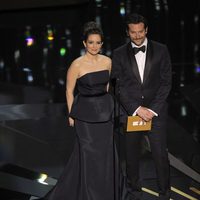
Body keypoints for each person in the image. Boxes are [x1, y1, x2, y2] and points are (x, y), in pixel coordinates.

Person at [40, 21, 117, 200]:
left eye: (98, 42)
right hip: (84, 115)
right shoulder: (77, 64)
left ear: (102, 44)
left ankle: (106, 191)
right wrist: (71, 114)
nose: (94, 46)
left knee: (105, 154)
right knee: (87, 154)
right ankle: (87, 193)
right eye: (91, 42)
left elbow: (108, 86)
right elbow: (68, 90)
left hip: (105, 114)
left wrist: (107, 105)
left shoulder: (108, 61)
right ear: (84, 43)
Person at [111, 13, 172, 200]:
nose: (137, 36)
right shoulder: (119, 53)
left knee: (160, 156)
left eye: (140, 32)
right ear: (127, 32)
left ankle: (165, 194)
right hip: (132, 113)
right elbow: (118, 86)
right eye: (133, 32)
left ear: (146, 30)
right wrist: (137, 109)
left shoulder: (162, 50)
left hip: (156, 112)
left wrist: (152, 110)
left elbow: (166, 82)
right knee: (131, 157)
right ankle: (134, 193)